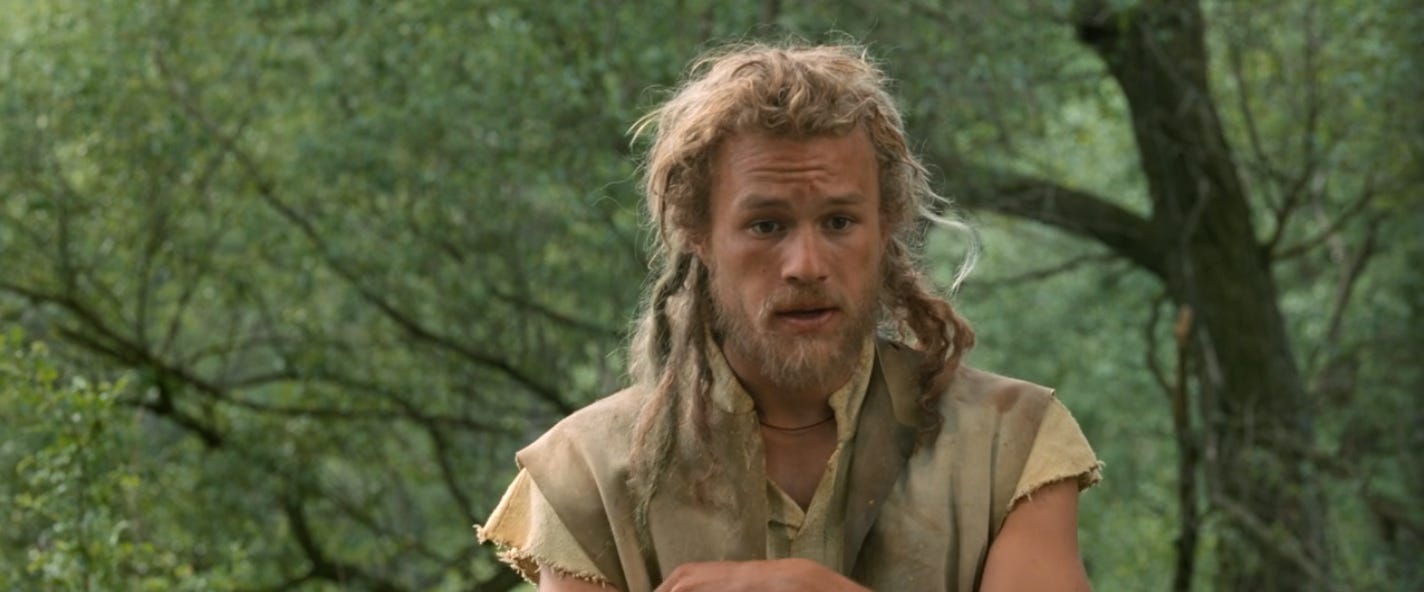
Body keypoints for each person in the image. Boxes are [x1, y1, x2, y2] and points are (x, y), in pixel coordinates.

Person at [477, 42, 1102, 592]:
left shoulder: (1010, 442)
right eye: (766, 225)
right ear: (699, 233)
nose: (806, 265)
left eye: (839, 222)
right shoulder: (589, 471)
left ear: (885, 225)